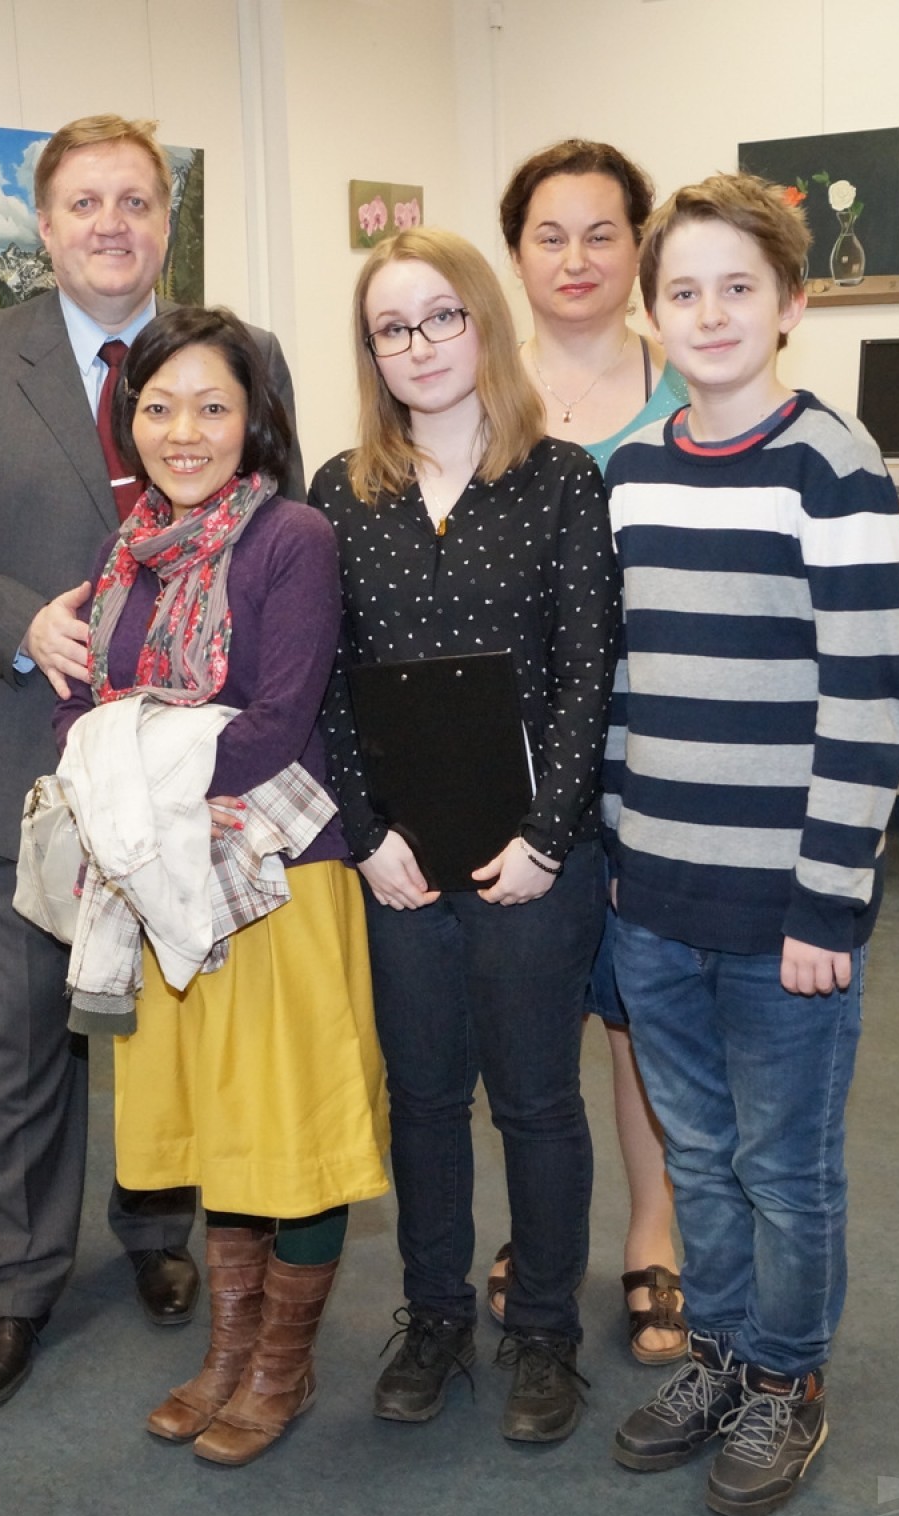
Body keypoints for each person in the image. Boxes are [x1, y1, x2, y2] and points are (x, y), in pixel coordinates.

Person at [0, 113, 304, 1409]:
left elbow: (278, 520)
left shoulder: (236, 355)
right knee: (27, 1034)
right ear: (44, 224)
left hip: (195, 774)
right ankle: (16, 1284)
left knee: (171, 1011)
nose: (111, 224)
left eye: (135, 201)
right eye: (84, 203)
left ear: (166, 221)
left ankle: (158, 1230)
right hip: (27, 752)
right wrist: (24, 622)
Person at [604, 172, 899, 1516]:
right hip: (653, 897)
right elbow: (620, 686)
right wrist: (616, 868)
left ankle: (787, 1374)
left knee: (785, 1168)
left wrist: (827, 904)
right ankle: (721, 1353)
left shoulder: (830, 466)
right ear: (650, 313)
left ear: (790, 304)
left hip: (787, 910)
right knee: (695, 1152)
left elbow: (870, 704)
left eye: (740, 287)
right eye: (683, 291)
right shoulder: (630, 475)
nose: (711, 312)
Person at [52, 305, 388, 1466]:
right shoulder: (127, 549)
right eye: (158, 406)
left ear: (254, 421)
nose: (182, 431)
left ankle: (281, 1367)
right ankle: (228, 1350)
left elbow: (273, 727)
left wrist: (128, 756)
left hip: (274, 881)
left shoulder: (292, 537)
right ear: (128, 420)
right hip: (162, 891)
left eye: (211, 406)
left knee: (289, 1130)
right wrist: (125, 750)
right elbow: (76, 714)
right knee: (219, 1132)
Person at [312, 228, 617, 1445]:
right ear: (370, 353)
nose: (419, 345)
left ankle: (542, 1328)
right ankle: (435, 1314)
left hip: (535, 857)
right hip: (400, 862)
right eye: (391, 328)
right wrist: (364, 836)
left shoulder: (561, 479)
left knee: (535, 1100)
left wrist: (546, 836)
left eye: (441, 316)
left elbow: (589, 674)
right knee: (425, 1100)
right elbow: (328, 682)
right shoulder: (341, 490)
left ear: (483, 321)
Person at [489, 138, 690, 1362]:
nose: (574, 258)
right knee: (531, 1011)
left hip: (648, 753)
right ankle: (541, 1225)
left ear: (637, 247)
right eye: (547, 235)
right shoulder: (473, 388)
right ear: (513, 253)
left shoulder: (691, 383)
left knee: (636, 1012)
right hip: (513, 760)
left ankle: (651, 1232)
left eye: (600, 233)